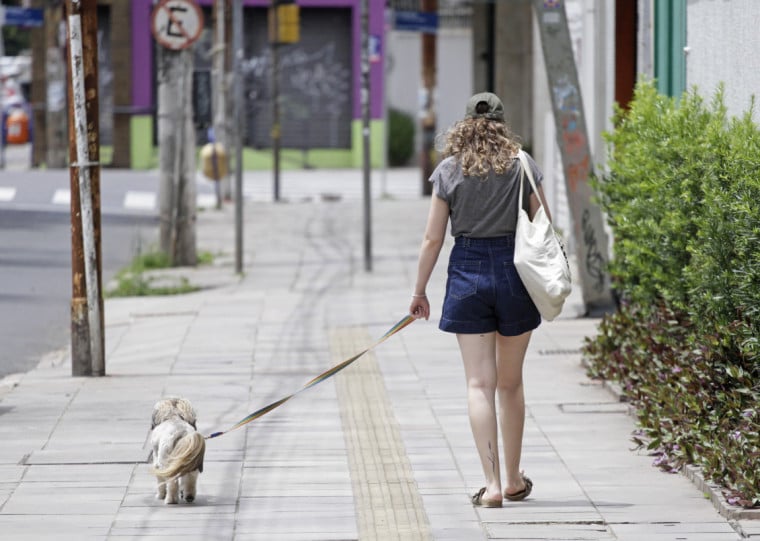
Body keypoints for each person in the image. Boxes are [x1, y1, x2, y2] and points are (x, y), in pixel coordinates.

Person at [409, 92, 551, 508]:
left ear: (465, 124)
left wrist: (419, 292)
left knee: (478, 384)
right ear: (503, 125)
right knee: (510, 383)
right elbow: (543, 225)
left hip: (467, 271)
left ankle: (489, 485)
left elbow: (433, 237)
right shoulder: (523, 166)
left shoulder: (449, 170)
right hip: (515, 272)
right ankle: (512, 479)